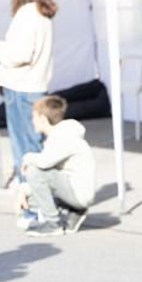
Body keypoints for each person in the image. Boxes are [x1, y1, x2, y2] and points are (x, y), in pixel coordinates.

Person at [0, 0, 55, 203]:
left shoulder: (28, 13)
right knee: (36, 147)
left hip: (21, 89)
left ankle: (34, 203)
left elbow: (19, 55)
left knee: (25, 151)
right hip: (36, 87)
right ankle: (41, 201)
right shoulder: (43, 11)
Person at [19, 95, 96, 236]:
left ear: (43, 118)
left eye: (34, 117)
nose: (33, 121)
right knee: (31, 193)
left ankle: (53, 224)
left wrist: (27, 158)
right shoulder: (60, 135)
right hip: (75, 190)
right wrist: (24, 190)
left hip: (78, 193)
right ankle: (75, 211)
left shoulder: (64, 137)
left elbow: (43, 163)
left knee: (34, 171)